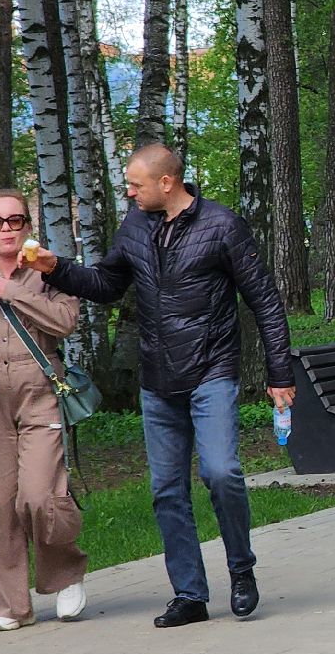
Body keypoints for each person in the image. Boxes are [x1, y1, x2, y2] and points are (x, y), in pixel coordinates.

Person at [31, 145, 292, 628]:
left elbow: (265, 301)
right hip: (157, 379)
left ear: (167, 182)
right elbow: (108, 285)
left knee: (221, 472)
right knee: (167, 490)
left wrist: (280, 375)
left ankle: (241, 570)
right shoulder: (134, 226)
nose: (128, 191)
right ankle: (190, 594)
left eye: (135, 184)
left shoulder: (222, 226)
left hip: (211, 371)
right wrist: (56, 269)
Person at [0, 189, 87, 630]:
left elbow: (65, 323)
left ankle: (65, 574)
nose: (6, 229)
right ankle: (9, 606)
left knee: (40, 496)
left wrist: (14, 292)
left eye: (15, 220)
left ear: (28, 225)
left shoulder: (50, 274)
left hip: (40, 392)